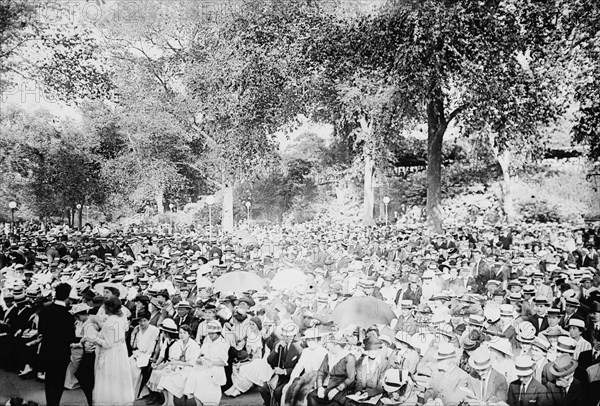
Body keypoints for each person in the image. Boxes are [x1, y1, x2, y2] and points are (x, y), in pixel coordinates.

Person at [84, 296, 135, 405]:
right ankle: (119, 399)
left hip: (110, 354)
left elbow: (108, 343)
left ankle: (110, 400)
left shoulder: (108, 324)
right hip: (120, 352)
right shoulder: (121, 319)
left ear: (108, 309)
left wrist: (94, 337)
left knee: (109, 377)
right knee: (118, 376)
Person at [38, 283, 76, 406]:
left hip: (47, 349)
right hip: (61, 352)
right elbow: (70, 338)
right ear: (67, 298)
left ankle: (50, 403)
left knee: (49, 380)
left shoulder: (45, 311)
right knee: (58, 381)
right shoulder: (68, 316)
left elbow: (41, 330)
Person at [184, 320, 230, 406]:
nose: (210, 335)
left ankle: (208, 401)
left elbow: (223, 362)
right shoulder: (207, 339)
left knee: (200, 377)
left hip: (216, 368)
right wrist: (200, 359)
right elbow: (201, 353)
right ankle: (199, 403)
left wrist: (210, 363)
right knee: (192, 375)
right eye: (209, 333)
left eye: (213, 333)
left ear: (218, 332)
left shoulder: (223, 343)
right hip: (204, 366)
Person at [306, 333, 357, 406]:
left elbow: (351, 379)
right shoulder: (328, 355)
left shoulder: (349, 357)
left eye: (329, 344)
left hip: (343, 388)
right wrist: (320, 387)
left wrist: (337, 389)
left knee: (334, 403)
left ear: (337, 346)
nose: (327, 346)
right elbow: (321, 372)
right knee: (311, 396)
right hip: (329, 386)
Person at [259, 322, 303, 406]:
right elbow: (270, 361)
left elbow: (301, 369)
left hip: (291, 378)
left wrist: (284, 371)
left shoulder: (299, 347)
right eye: (284, 336)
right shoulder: (279, 344)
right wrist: (276, 350)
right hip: (278, 378)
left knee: (278, 392)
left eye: (289, 336)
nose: (286, 338)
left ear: (295, 336)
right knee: (263, 388)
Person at [156, 325, 201, 406]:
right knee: (164, 376)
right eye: (180, 333)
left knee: (170, 379)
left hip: (190, 369)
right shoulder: (178, 343)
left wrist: (177, 363)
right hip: (178, 367)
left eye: (184, 333)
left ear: (189, 334)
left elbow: (191, 363)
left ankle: (171, 403)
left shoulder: (194, 345)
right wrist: (173, 365)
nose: (182, 335)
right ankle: (167, 401)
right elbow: (173, 358)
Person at [129, 310, 160, 399]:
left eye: (144, 320)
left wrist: (142, 356)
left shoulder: (154, 330)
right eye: (140, 321)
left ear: (148, 320)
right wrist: (133, 334)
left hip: (147, 355)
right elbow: (133, 345)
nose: (142, 323)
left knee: (135, 370)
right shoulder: (137, 329)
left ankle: (137, 392)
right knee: (127, 366)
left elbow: (152, 347)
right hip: (137, 353)